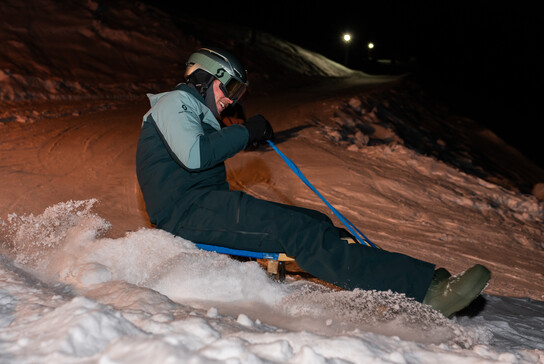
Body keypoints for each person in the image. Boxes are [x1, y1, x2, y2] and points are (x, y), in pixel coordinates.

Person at [136, 47, 491, 318]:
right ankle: (424, 291)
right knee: (300, 233)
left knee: (314, 223)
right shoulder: (174, 102)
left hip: (203, 208)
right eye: (228, 86)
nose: (231, 98)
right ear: (202, 77)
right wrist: (244, 132)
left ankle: (408, 276)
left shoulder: (193, 114)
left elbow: (200, 156)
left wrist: (241, 134)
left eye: (238, 92)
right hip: (187, 213)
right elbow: (195, 155)